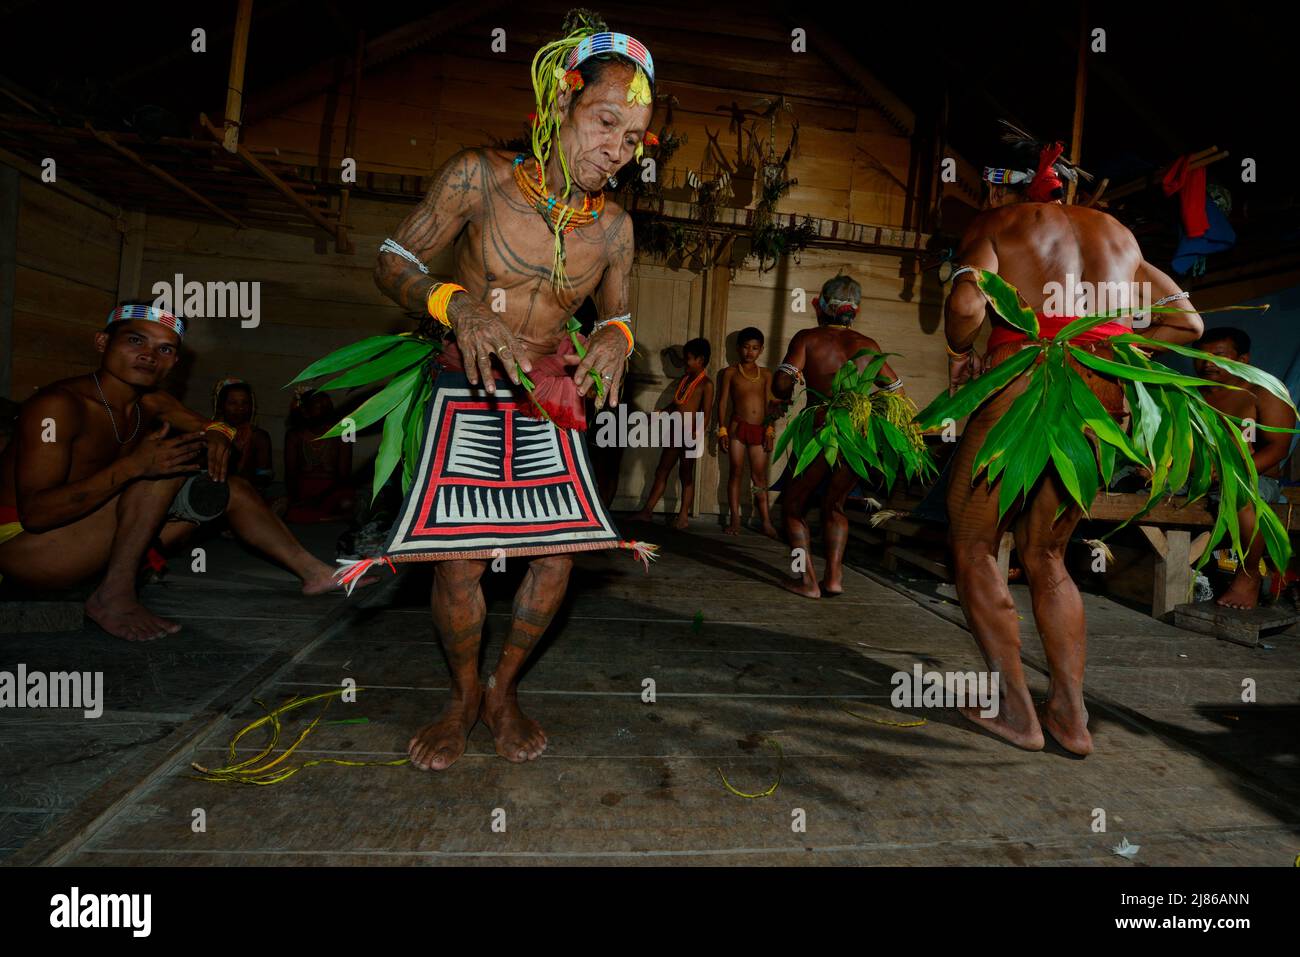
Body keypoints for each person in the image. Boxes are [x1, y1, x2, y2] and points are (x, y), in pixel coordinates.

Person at [336, 10, 658, 770]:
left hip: (552, 392)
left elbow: (620, 314)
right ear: (558, 107)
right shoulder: (476, 177)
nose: (617, 150)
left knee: (558, 557)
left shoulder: (613, 227)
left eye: (634, 139)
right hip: (468, 384)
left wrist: (617, 337)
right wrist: (456, 303)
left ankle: (504, 688)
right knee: (462, 561)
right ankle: (459, 697)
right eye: (605, 121)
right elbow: (389, 256)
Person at [937, 138, 1207, 756]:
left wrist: (962, 350)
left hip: (1024, 383)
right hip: (1098, 401)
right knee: (1048, 555)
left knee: (974, 541)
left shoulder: (997, 224)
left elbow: (964, 303)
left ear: (1008, 186)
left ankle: (1018, 712)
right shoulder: (1119, 236)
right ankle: (1070, 717)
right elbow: (1188, 323)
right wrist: (1118, 355)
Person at [0, 304, 368, 641]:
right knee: (163, 469)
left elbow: (215, 426)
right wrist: (134, 467)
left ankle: (316, 574)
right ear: (102, 342)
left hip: (83, 530)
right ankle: (114, 596)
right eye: (135, 340)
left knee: (231, 488)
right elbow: (37, 513)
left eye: (165, 349)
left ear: (174, 362)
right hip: (26, 548)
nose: (149, 355)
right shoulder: (58, 406)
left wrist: (219, 435)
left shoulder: (152, 401)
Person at [772, 275, 927, 597]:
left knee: (793, 506)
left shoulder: (808, 339)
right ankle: (834, 578)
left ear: (822, 306)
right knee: (835, 505)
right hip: (858, 438)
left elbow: (780, 383)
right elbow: (897, 391)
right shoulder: (867, 345)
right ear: (854, 310)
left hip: (820, 431)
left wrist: (789, 385)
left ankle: (806, 581)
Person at [1194, 327, 1297, 608]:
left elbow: (1278, 449)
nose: (1207, 363)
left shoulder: (1263, 392)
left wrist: (1234, 471)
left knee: (1241, 495)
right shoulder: (1188, 393)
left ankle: (1248, 576)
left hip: (1255, 477)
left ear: (1243, 358)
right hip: (1197, 478)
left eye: (1219, 355)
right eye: (1200, 355)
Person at [632, 338, 713, 529]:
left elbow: (706, 413)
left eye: (688, 359)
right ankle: (647, 511)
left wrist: (697, 433)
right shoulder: (684, 380)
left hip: (690, 435)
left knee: (686, 474)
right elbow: (677, 404)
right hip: (675, 432)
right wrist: (659, 413)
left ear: (700, 360)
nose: (684, 363)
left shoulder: (706, 384)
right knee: (662, 470)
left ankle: (683, 516)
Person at [718, 327, 778, 537]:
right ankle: (735, 519)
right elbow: (723, 402)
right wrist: (722, 430)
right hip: (737, 428)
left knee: (759, 477)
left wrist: (770, 430)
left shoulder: (766, 374)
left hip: (760, 430)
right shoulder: (730, 373)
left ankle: (766, 521)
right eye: (745, 347)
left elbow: (770, 403)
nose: (749, 352)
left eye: (754, 348)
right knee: (735, 472)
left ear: (761, 350)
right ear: (738, 348)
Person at [283, 389, 356, 523]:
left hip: (333, 490)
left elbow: (344, 474)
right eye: (319, 407)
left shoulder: (345, 431)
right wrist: (297, 498)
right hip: (304, 489)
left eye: (328, 406)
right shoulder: (294, 435)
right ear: (305, 412)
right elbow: (291, 473)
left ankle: (320, 516)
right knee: (284, 509)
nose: (325, 409)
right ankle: (327, 518)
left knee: (347, 503)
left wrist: (321, 497)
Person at [211, 377, 274, 490]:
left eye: (245, 403)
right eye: (232, 403)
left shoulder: (258, 437)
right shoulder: (213, 434)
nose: (240, 408)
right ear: (221, 406)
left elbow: (264, 475)